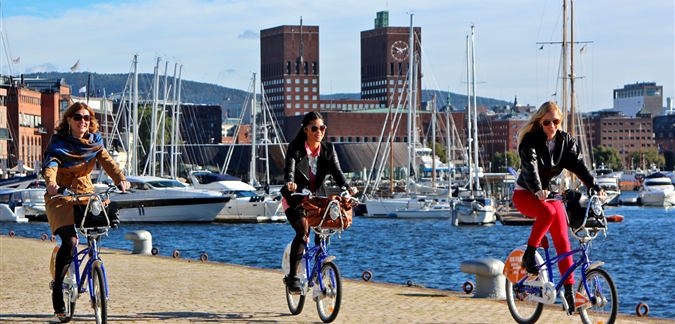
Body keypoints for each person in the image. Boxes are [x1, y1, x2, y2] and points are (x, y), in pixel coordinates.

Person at [513, 101, 604, 313]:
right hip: (525, 192)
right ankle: (529, 253)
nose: (552, 126)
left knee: (563, 238)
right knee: (547, 211)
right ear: (540, 122)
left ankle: (570, 294)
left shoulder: (566, 142)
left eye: (556, 121)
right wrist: (537, 190)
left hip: (548, 193)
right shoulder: (530, 141)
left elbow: (580, 166)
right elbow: (531, 168)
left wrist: (596, 187)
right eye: (547, 122)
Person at [43, 102, 131, 315]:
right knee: (71, 240)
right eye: (78, 117)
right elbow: (51, 165)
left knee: (96, 230)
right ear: (69, 120)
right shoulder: (59, 142)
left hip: (84, 193)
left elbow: (108, 162)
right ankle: (57, 292)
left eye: (87, 118)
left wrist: (121, 180)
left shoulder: (94, 143)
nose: (83, 121)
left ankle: (94, 268)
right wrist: (51, 184)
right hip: (61, 195)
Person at [280, 111, 354, 292]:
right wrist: (290, 182)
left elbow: (337, 172)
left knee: (324, 231)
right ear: (305, 130)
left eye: (322, 128)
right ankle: (292, 278)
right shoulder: (295, 148)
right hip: (296, 198)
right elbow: (289, 169)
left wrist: (347, 187)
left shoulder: (328, 150)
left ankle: (320, 273)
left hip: (318, 200)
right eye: (314, 128)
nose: (319, 131)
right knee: (303, 231)